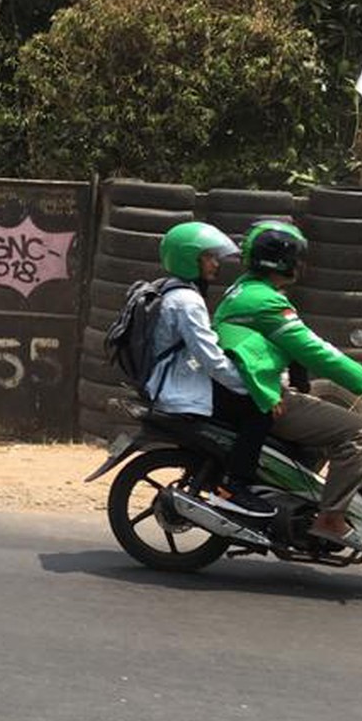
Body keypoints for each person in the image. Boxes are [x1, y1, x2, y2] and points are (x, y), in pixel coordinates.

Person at [215, 222, 362, 553]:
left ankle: (301, 495)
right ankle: (330, 517)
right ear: (281, 261)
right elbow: (312, 349)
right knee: (360, 431)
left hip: (243, 389)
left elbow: (292, 346)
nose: (302, 266)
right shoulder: (267, 302)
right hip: (255, 395)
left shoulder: (246, 289)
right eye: (298, 258)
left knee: (322, 407)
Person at [147, 222, 275, 518]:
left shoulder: (172, 289)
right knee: (260, 411)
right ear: (189, 259)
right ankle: (236, 486)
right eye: (208, 257)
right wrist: (253, 388)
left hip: (175, 378)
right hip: (179, 389)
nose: (215, 263)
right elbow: (212, 360)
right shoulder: (187, 302)